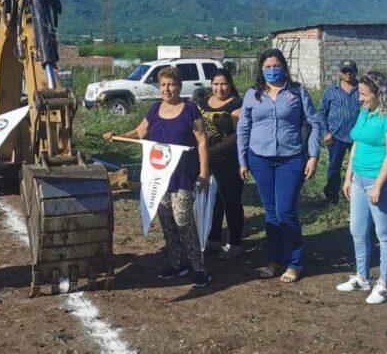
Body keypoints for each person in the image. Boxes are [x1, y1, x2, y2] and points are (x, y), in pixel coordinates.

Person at [104, 66, 212, 288]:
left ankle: (198, 266)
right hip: (159, 177)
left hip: (184, 175)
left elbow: (202, 141)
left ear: (179, 86)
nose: (167, 89)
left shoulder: (190, 109)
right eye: (163, 84)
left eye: (171, 84)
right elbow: (139, 133)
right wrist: (116, 136)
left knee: (183, 220)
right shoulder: (154, 110)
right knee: (167, 221)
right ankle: (176, 262)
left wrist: (203, 173)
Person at [237, 48, 323, 284]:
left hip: (291, 158)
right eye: (268, 66)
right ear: (261, 69)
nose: (272, 70)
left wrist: (313, 156)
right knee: (271, 212)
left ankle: (294, 262)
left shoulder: (296, 92)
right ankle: (274, 260)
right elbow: (243, 129)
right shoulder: (253, 95)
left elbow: (314, 123)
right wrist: (242, 160)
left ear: (284, 67)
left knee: (286, 211)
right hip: (260, 158)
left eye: (276, 66)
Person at [336, 71, 387, 304]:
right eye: (360, 94)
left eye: (365, 94)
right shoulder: (365, 113)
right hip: (359, 180)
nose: (360, 99)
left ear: (379, 93)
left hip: (382, 183)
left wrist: (377, 186)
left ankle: (385, 284)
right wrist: (348, 176)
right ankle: (362, 277)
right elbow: (356, 144)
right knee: (357, 230)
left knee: (384, 234)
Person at [199, 70, 244, 260]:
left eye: (224, 84)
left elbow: (239, 135)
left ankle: (235, 243)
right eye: (216, 84)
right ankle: (213, 239)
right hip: (206, 160)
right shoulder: (204, 103)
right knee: (212, 201)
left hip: (229, 160)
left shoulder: (237, 104)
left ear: (230, 84)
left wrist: (213, 151)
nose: (220, 88)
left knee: (231, 201)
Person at [319, 59, 362, 204]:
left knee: (358, 167)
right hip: (336, 137)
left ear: (356, 72)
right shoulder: (331, 91)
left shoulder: (362, 89)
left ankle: (356, 196)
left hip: (358, 138)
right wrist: (325, 133)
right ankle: (332, 196)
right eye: (345, 71)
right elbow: (321, 114)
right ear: (339, 73)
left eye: (351, 71)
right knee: (334, 167)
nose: (348, 74)